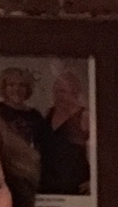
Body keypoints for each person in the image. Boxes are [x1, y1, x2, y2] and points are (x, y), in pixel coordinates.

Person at [39, 63, 92, 197]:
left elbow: (103, 152)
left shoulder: (84, 116)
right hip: (46, 186)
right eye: (55, 91)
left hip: (74, 187)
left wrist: (95, 181)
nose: (57, 95)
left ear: (75, 92)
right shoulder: (48, 113)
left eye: (62, 91)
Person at [0, 65, 52, 153]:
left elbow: (43, 146)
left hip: (27, 162)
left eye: (22, 85)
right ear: (4, 88)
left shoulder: (35, 116)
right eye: (11, 85)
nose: (16, 89)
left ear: (27, 89)